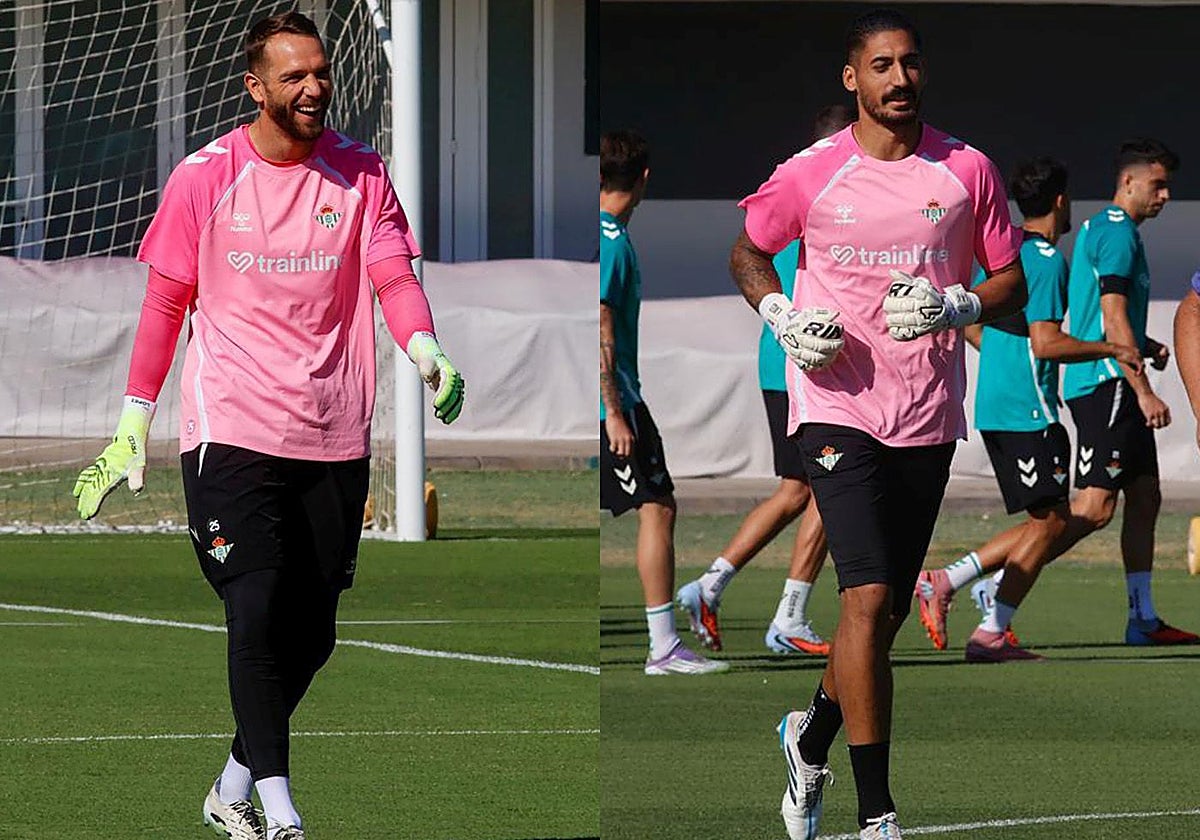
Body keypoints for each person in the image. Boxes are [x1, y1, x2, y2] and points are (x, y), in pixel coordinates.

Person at [71, 12, 464, 840]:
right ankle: (280, 810)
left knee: (312, 632)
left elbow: (392, 270)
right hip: (231, 431)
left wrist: (424, 345)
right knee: (254, 610)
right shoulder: (205, 176)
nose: (315, 87)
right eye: (294, 76)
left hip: (332, 432)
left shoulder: (360, 172)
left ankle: (231, 785)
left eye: (320, 72)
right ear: (256, 88)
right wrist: (133, 420)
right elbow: (165, 302)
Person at [730, 10, 1026, 839]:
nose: (900, 79)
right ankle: (877, 817)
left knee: (883, 613)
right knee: (861, 597)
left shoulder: (968, 170)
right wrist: (780, 312)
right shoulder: (811, 172)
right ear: (851, 79)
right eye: (882, 66)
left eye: (911, 65)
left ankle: (809, 735)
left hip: (926, 412)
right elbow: (747, 251)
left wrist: (955, 301)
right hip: (834, 407)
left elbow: (1011, 284)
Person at [913, 158, 1143, 660]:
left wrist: (999, 361)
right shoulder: (1044, 258)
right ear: (1061, 201)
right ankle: (989, 626)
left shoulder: (1002, 250)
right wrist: (1115, 350)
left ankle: (954, 584)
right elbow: (1046, 343)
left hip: (996, 404)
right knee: (1056, 522)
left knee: (1051, 518)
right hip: (1028, 410)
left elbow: (971, 322)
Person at [675, 104, 854, 657]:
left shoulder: (797, 185)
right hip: (804, 364)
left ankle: (710, 585)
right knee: (829, 488)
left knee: (798, 489)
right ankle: (790, 616)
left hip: (785, 361)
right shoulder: (823, 190)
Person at [599, 129, 727, 676]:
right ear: (644, 180)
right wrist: (612, 409)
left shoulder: (609, 236)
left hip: (617, 395)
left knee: (654, 506)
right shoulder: (611, 241)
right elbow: (599, 320)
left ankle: (663, 644)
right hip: (614, 399)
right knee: (658, 507)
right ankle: (662, 647)